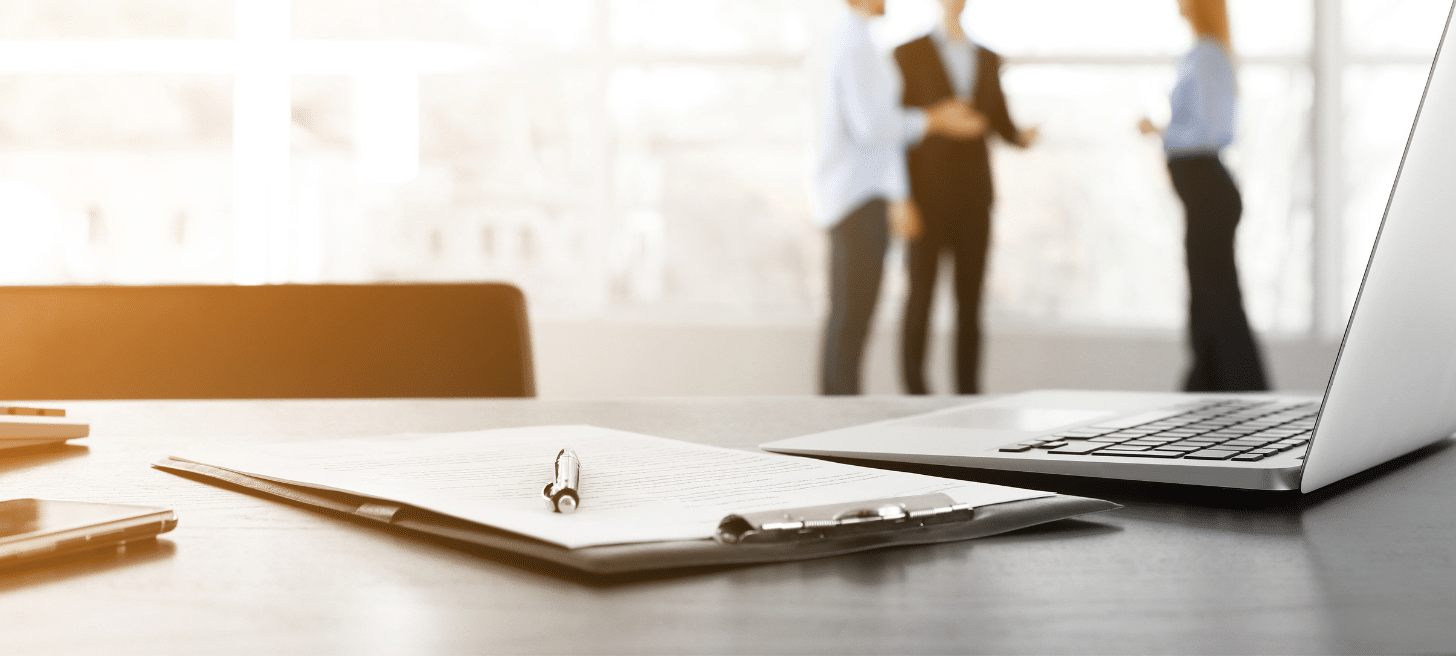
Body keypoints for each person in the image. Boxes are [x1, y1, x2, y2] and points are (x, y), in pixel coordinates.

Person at [816, 0, 985, 395]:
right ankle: (837, 420)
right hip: (859, 195)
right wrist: (935, 119)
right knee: (852, 318)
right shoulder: (853, 44)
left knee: (850, 317)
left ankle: (837, 412)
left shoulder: (852, 39)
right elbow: (872, 128)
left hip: (856, 192)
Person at [894, 0, 1037, 395]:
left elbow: (1000, 123)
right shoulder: (908, 53)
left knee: (970, 303)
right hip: (925, 196)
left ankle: (968, 390)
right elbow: (896, 125)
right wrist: (900, 198)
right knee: (920, 295)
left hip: (975, 197)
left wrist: (1022, 137)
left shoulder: (988, 58)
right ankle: (914, 391)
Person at [1139, 0, 1268, 392]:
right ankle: (1209, 386)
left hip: (1210, 191)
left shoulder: (1207, 55)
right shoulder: (1200, 54)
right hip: (1204, 193)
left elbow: (1210, 131)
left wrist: (1160, 133)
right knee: (1208, 296)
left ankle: (1238, 391)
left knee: (1217, 297)